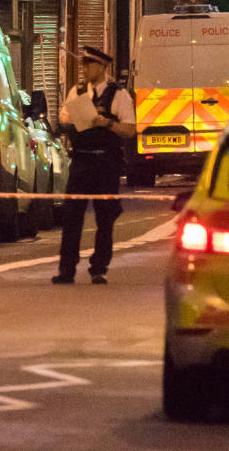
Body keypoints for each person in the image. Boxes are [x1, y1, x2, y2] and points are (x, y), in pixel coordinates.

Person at [52, 47, 136, 285]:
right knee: (71, 217)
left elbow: (129, 129)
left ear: (101, 67)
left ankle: (99, 268)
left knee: (105, 217)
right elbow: (64, 116)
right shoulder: (77, 91)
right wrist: (70, 119)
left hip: (106, 163)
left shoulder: (118, 95)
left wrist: (106, 123)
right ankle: (66, 270)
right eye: (84, 65)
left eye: (90, 65)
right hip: (81, 160)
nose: (86, 69)